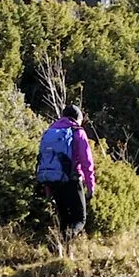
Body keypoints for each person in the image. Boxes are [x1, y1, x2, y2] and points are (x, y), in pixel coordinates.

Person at [37, 103, 96, 253]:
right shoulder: (77, 131)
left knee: (64, 219)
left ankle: (62, 254)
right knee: (79, 220)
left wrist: (47, 186)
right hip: (72, 179)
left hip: (52, 180)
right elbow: (86, 162)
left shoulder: (50, 131)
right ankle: (58, 245)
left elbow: (45, 159)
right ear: (78, 118)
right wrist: (90, 186)